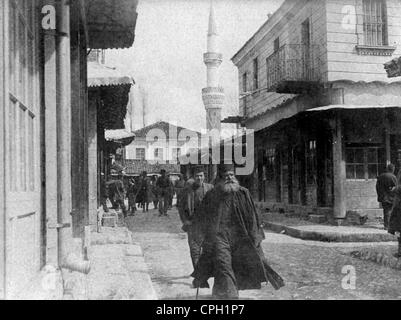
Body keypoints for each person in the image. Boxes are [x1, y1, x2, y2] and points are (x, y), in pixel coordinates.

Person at [192, 164, 284, 299]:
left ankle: (219, 294)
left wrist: (255, 237)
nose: (229, 178)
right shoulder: (212, 195)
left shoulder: (243, 193)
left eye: (232, 175)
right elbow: (202, 217)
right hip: (219, 239)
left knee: (236, 267)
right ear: (220, 177)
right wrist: (200, 237)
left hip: (240, 239)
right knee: (224, 267)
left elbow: (253, 217)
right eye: (226, 175)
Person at [179, 168, 213, 272]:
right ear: (194, 177)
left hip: (207, 224)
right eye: (197, 176)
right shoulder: (188, 190)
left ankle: (205, 272)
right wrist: (185, 221)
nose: (199, 178)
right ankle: (198, 273)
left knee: (208, 249)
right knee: (194, 250)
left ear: (204, 176)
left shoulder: (210, 188)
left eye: (201, 175)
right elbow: (181, 207)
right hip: (193, 224)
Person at [376, 163, 397, 230]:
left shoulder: (381, 176)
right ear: (393, 169)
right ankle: (389, 226)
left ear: (387, 169)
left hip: (383, 197)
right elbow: (396, 187)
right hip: (391, 197)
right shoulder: (393, 177)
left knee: (386, 211)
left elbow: (377, 187)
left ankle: (386, 225)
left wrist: (380, 194)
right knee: (391, 211)